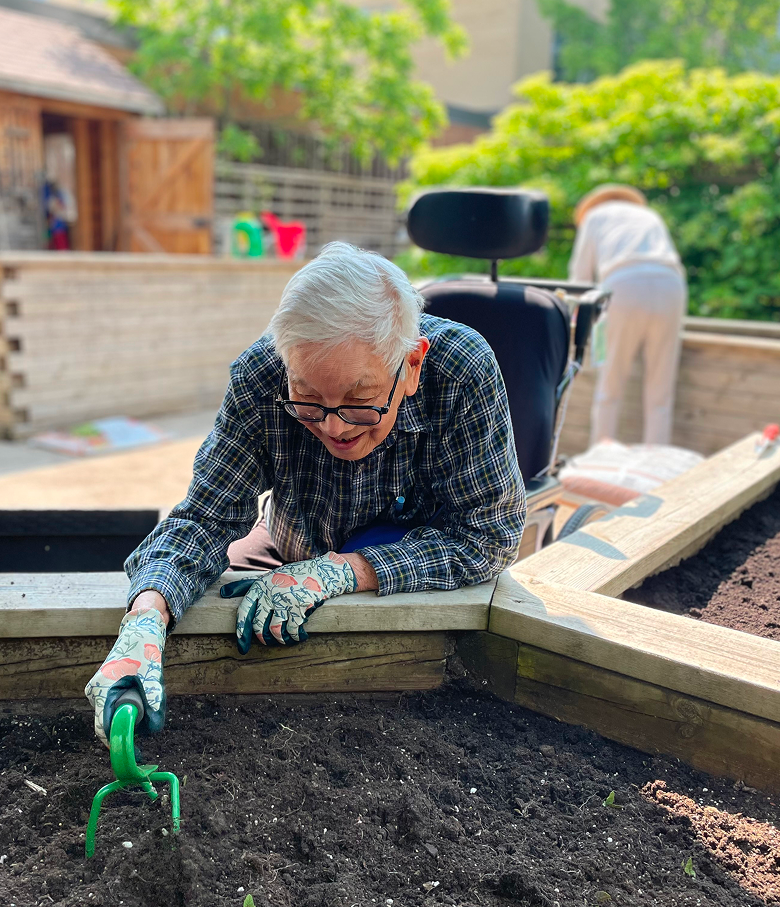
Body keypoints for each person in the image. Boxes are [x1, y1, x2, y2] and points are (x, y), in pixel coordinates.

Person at [84, 242, 526, 743]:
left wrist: (343, 571)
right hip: (286, 543)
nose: (335, 427)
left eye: (360, 401)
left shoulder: (462, 372)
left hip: (410, 565)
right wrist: (144, 622)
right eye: (309, 400)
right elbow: (206, 519)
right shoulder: (260, 376)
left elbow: (489, 536)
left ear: (412, 366)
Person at [568, 184, 687, 447]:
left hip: (622, 283)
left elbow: (580, 276)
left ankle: (599, 458)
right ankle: (656, 465)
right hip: (671, 284)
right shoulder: (650, 216)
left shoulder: (594, 217)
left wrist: (577, 322)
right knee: (661, 390)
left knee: (610, 383)